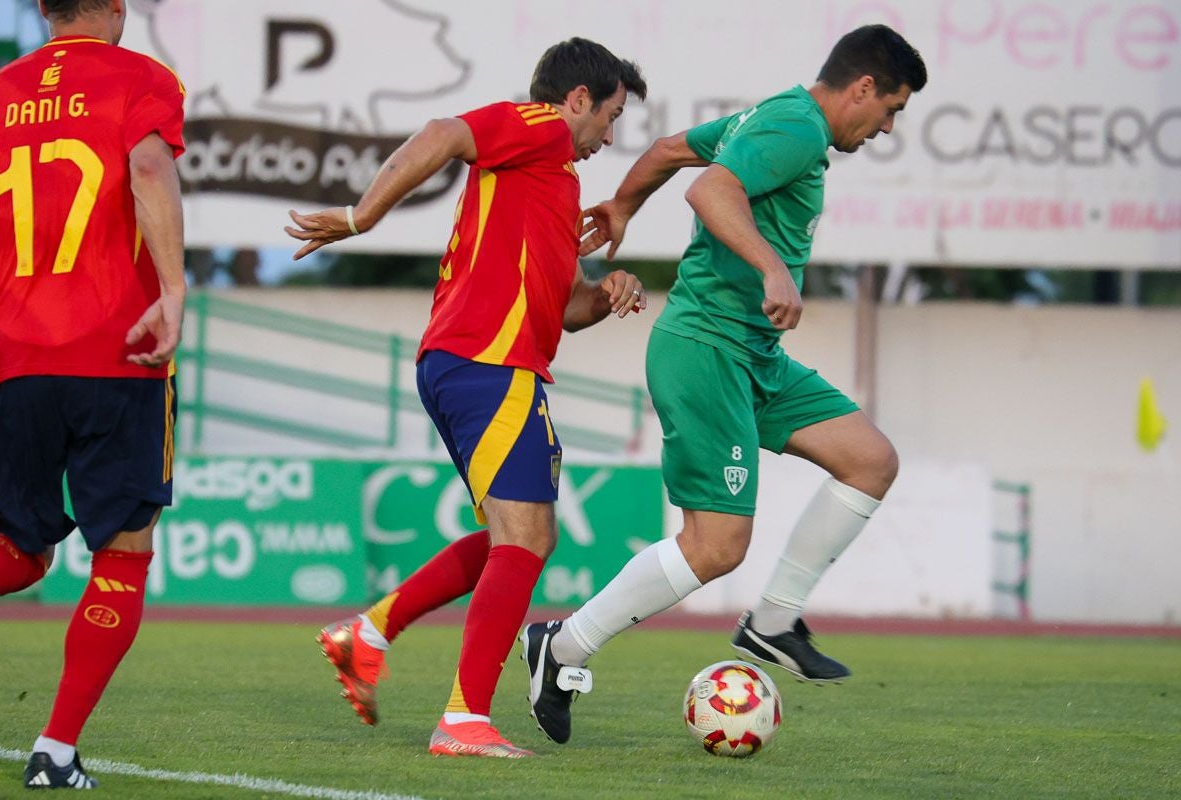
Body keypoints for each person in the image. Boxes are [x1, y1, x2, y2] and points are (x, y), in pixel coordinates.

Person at [521, 24, 928, 745]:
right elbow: (710, 189)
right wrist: (774, 268)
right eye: (891, 108)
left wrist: (621, 206)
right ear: (863, 88)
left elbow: (672, 153)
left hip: (754, 353)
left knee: (870, 459)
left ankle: (773, 622)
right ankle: (563, 646)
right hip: (707, 346)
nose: (887, 126)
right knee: (715, 546)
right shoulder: (796, 126)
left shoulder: (771, 117)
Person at [285, 37, 648, 758]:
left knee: (513, 537)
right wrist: (364, 216)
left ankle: (369, 633)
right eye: (610, 116)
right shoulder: (541, 126)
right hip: (488, 361)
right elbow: (443, 134)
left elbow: (563, 307)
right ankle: (462, 719)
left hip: (475, 360)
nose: (611, 135)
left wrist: (606, 294)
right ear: (577, 100)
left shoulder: (553, 177)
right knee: (528, 537)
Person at [0, 0, 186, 788]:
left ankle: (57, 752)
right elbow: (146, 167)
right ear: (117, 8)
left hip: (10, 357)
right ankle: (55, 751)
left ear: (41, 9)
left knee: (15, 550)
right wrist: (172, 290)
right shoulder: (142, 77)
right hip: (117, 352)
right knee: (123, 552)